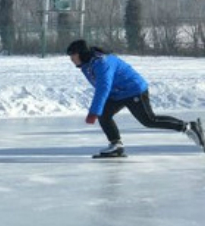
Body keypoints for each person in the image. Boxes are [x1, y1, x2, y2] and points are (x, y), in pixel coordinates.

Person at [66, 39, 205, 157]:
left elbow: (103, 87)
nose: (71, 59)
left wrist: (94, 111)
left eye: (73, 55)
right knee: (105, 114)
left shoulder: (102, 63)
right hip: (118, 92)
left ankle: (188, 126)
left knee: (149, 120)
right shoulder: (87, 64)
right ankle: (116, 146)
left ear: (82, 54)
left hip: (134, 90)